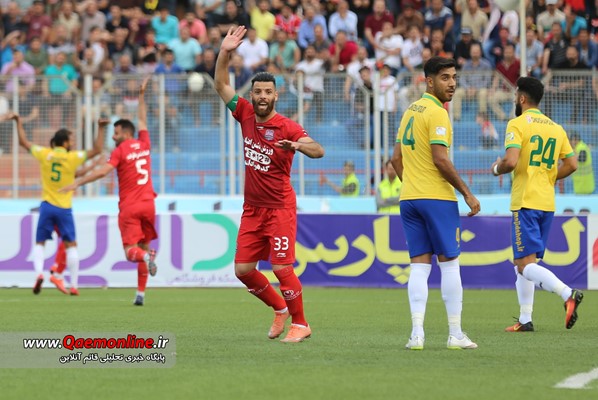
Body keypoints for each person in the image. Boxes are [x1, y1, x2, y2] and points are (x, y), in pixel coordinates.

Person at [214, 26, 325, 343]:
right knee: (243, 270)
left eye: (268, 92)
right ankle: (279, 308)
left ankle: (301, 323)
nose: (262, 96)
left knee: (281, 267)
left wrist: (298, 145)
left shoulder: (287, 126)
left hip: (279, 208)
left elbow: (318, 150)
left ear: (276, 96)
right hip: (252, 209)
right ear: (252, 95)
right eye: (258, 92)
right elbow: (220, 83)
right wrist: (224, 52)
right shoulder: (244, 113)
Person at [391, 56, 481, 350]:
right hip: (437, 199)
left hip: (410, 199)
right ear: (429, 81)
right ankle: (455, 333)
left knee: (419, 267)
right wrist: (466, 193)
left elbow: (395, 159)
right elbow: (440, 159)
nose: (452, 83)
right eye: (445, 78)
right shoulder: (437, 113)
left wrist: (413, 185)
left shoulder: (410, 110)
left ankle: (416, 334)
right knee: (450, 265)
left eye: (454, 77)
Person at [490, 77, 583, 332]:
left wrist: (496, 168)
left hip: (525, 201)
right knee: (525, 263)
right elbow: (572, 164)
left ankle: (567, 294)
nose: (514, 99)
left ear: (522, 98)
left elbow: (510, 161)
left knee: (524, 264)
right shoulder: (556, 127)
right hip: (546, 202)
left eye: (515, 95)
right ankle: (525, 319)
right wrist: (549, 177)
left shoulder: (517, 123)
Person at [59, 77, 158, 307]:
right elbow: (142, 119)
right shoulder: (144, 143)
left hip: (130, 207)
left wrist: (78, 182)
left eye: (116, 133)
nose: (113, 137)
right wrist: (141, 95)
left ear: (125, 133)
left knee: (131, 252)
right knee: (144, 247)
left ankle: (146, 257)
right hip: (149, 204)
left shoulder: (120, 150)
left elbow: (103, 171)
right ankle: (140, 295)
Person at [0, 113, 106, 295]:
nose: (73, 143)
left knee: (40, 243)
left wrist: (18, 121)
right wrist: (101, 128)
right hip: (64, 208)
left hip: (47, 205)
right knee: (71, 245)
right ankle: (74, 285)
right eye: (71, 140)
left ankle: (39, 274)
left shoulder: (45, 154)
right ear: (64, 142)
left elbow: (24, 142)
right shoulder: (72, 157)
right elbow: (97, 149)